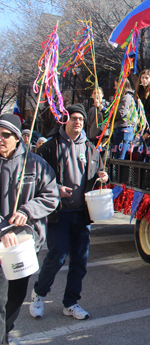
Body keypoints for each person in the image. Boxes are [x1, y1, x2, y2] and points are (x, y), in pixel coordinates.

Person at [29, 104, 108, 321]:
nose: (78, 122)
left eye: (81, 119)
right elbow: (36, 180)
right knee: (57, 256)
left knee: (79, 262)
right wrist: (56, 189)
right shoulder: (49, 147)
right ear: (64, 121)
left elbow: (98, 173)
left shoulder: (91, 148)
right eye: (74, 118)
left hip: (83, 214)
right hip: (59, 213)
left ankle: (70, 303)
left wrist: (103, 176)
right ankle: (39, 293)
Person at [0, 114, 59, 345]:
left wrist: (27, 210)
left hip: (25, 246)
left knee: (15, 297)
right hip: (1, 244)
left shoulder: (35, 164)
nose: (1, 139)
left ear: (17, 138)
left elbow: (51, 196)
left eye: (6, 135)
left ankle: (5, 334)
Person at [134, 69, 150, 162]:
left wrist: (149, 132)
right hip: (142, 128)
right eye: (143, 78)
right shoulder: (138, 94)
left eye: (147, 78)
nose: (144, 80)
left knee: (149, 153)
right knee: (141, 153)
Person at [112, 78, 135, 159]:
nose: (115, 88)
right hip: (120, 128)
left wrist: (108, 112)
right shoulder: (125, 97)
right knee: (117, 156)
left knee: (120, 158)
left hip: (123, 130)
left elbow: (121, 113)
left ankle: (119, 171)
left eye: (116, 85)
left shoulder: (126, 98)